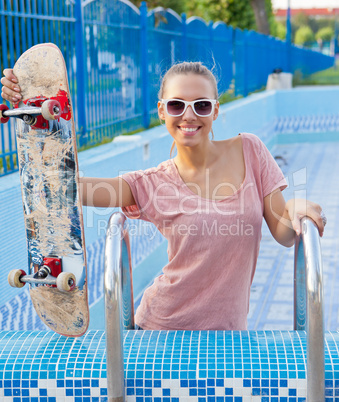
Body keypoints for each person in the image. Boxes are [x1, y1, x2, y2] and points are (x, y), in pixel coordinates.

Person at [1, 62, 326, 331]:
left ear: (215, 111)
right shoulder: (152, 184)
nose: (189, 115)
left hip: (229, 332)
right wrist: (32, 113)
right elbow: (68, 186)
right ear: (161, 111)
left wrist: (297, 206)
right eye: (176, 105)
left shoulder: (251, 151)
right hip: (161, 330)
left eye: (201, 105)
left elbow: (283, 233)